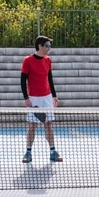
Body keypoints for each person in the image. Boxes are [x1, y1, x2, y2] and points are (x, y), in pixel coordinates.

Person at [20, 35, 62, 163]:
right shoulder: (28, 60)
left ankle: (53, 151)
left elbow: (50, 79)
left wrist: (54, 96)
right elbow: (23, 80)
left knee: (48, 125)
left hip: (47, 97)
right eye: (47, 46)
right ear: (40, 46)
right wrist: (26, 97)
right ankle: (28, 152)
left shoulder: (48, 60)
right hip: (33, 98)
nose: (49, 48)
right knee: (32, 125)